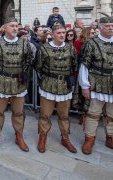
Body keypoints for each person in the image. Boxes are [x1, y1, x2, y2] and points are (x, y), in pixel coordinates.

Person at [0, 18, 32, 153]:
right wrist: (2, 72)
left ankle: (19, 136)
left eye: (16, 26)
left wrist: (23, 73)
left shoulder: (24, 44)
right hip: (2, 81)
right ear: (4, 28)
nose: (15, 28)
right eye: (12, 26)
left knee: (18, 112)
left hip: (18, 83)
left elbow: (28, 60)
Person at [35, 24, 78, 153]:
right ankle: (42, 138)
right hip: (48, 85)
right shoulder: (44, 49)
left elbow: (74, 66)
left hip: (65, 86)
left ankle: (65, 138)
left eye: (63, 32)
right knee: (45, 115)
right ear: (52, 34)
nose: (62, 35)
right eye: (59, 33)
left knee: (64, 116)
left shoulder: (71, 49)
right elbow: (38, 66)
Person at [79, 16, 113, 154]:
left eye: (112, 25)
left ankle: (110, 137)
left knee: (112, 114)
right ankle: (89, 139)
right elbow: (84, 65)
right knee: (93, 113)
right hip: (96, 82)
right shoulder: (91, 43)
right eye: (107, 26)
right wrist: (84, 86)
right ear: (100, 28)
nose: (111, 28)